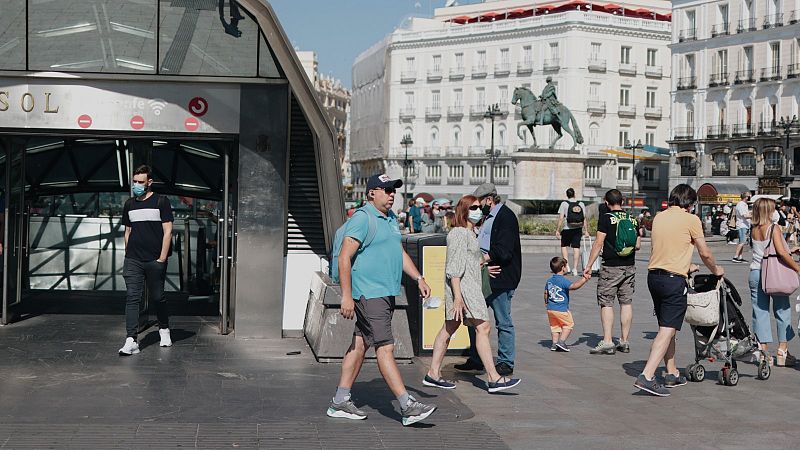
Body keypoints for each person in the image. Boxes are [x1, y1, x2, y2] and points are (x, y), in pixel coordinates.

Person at [326, 174, 437, 427]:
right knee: (385, 347)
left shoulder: (388, 220)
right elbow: (344, 258)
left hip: (385, 293)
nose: (391, 194)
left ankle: (340, 401)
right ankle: (407, 406)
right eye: (385, 190)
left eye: (393, 190)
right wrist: (346, 296)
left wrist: (419, 278)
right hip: (369, 293)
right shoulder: (363, 219)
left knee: (360, 344)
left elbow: (397, 252)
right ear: (371, 193)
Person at [424, 195, 521, 393]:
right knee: (482, 327)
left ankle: (433, 373)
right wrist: (458, 297)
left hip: (468, 287)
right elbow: (454, 268)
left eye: (479, 206)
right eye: (474, 207)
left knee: (450, 327)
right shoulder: (459, 233)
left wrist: (483, 267)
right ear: (464, 211)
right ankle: (493, 378)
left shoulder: (469, 233)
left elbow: (469, 261)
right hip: (464, 290)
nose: (479, 210)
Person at [634, 184, 724, 397]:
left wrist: (687, 266)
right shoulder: (691, 219)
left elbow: (668, 248)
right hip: (673, 280)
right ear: (690, 203)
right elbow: (705, 252)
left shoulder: (659, 217)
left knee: (668, 327)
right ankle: (647, 376)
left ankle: (672, 371)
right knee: (667, 330)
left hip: (654, 276)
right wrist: (716, 270)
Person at [455, 183, 522, 376]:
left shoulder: (505, 217)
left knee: (503, 321)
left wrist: (482, 261)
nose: (476, 207)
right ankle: (476, 359)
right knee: (475, 318)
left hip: (501, 278)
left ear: (489, 200)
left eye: (479, 203)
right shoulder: (486, 218)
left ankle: (506, 362)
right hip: (484, 276)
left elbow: (505, 250)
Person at [118, 165, 175, 356]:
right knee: (132, 297)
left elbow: (168, 231)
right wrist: (128, 253)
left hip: (154, 259)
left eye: (140, 182)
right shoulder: (129, 204)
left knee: (158, 297)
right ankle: (131, 340)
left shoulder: (161, 201)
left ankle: (164, 329)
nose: (136, 185)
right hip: (133, 259)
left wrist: (161, 258)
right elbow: (127, 231)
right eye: (134, 181)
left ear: (149, 182)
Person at [583, 189, 641, 355]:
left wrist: (589, 265)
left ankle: (608, 341)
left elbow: (598, 243)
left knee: (606, 302)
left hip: (611, 267)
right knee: (626, 302)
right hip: (629, 266)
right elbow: (637, 245)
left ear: (606, 203)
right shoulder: (633, 218)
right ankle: (624, 341)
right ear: (622, 201)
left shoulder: (606, 218)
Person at [748, 198, 800, 367]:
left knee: (760, 311)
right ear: (768, 211)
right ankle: (782, 350)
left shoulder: (754, 229)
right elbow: (781, 254)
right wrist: (797, 268)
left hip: (756, 272)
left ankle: (764, 352)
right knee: (782, 309)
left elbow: (765, 250)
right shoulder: (773, 228)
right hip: (773, 274)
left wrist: (789, 249)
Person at [545, 256, 590, 352]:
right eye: (566, 266)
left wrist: (546, 302)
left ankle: (554, 344)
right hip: (561, 309)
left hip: (550, 309)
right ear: (562, 268)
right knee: (568, 324)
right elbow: (574, 286)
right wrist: (584, 280)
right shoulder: (563, 280)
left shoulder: (549, 281)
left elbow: (546, 293)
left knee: (555, 327)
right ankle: (561, 342)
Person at [555, 188, 589, 276]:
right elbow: (584, 218)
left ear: (567, 195)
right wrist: (586, 231)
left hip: (567, 229)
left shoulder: (564, 204)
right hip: (578, 229)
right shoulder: (581, 203)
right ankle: (575, 269)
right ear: (574, 194)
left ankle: (567, 266)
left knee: (563, 245)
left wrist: (558, 230)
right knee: (576, 248)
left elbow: (561, 218)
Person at [732, 191, 752, 263]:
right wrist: (754, 216)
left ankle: (740, 256)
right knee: (742, 242)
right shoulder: (741, 204)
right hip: (742, 225)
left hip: (745, 225)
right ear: (746, 197)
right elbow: (744, 215)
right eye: (749, 196)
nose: (750, 197)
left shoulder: (744, 204)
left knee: (742, 242)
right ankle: (735, 257)